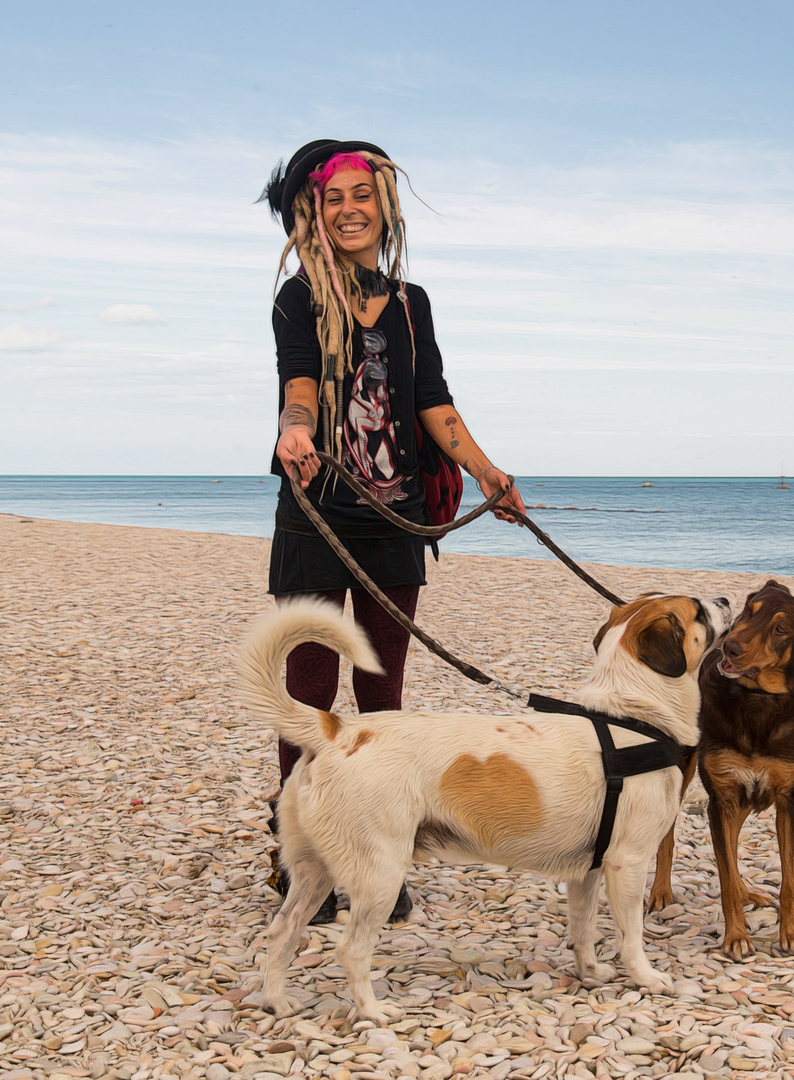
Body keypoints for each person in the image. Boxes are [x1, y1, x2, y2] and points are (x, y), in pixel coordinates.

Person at [260, 140, 526, 924]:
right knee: (307, 695)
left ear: (383, 205)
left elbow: (432, 400)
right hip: (317, 505)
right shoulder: (297, 297)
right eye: (331, 198)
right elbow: (300, 382)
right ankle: (298, 855)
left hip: (396, 514)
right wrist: (294, 428)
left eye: (359, 196)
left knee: (382, 696)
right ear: (313, 211)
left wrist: (486, 471)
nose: (348, 210)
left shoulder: (411, 303)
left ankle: (374, 851)